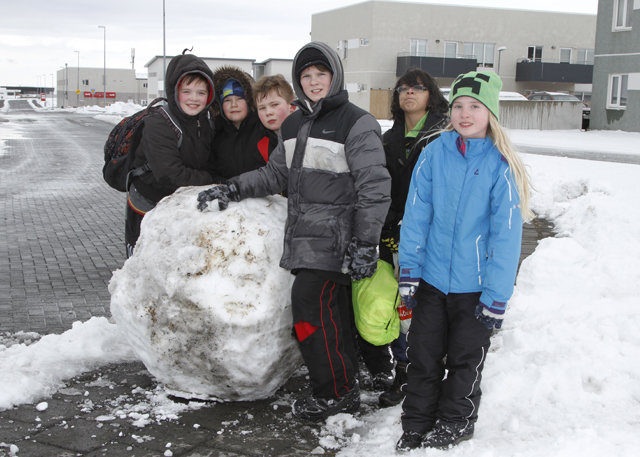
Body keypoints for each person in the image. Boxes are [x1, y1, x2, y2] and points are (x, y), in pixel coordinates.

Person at [196, 41, 391, 422]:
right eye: (306, 76)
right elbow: (275, 174)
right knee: (331, 314)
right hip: (307, 237)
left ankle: (333, 392)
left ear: (335, 77)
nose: (314, 81)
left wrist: (366, 241)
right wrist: (233, 188)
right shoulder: (294, 123)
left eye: (321, 74)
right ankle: (343, 385)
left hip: (338, 237)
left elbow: (374, 185)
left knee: (310, 305)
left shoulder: (357, 121)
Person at [395, 71, 534, 452]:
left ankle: (456, 421)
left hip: (474, 288)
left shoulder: (500, 165)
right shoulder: (433, 152)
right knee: (422, 357)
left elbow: (506, 238)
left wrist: (496, 296)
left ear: (491, 113)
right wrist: (409, 273)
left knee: (464, 360)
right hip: (432, 281)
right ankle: (416, 423)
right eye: (458, 106)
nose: (464, 114)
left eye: (475, 106)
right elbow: (416, 215)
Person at [378, 68, 449, 408]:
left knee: (430, 305)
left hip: (434, 234)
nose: (409, 93)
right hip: (396, 234)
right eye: (403, 88)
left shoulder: (443, 134)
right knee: (402, 303)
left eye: (418, 88)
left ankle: (431, 371)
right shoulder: (388, 139)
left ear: (430, 94)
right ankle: (404, 372)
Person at [125, 51, 216, 258]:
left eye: (201, 93)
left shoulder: (207, 121)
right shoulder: (159, 122)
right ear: (175, 91)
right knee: (145, 266)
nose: (194, 98)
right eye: (187, 91)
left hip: (180, 204)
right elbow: (170, 175)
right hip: (148, 204)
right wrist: (214, 181)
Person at [210, 66, 275, 182]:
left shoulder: (266, 129)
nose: (233, 104)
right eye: (227, 100)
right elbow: (211, 172)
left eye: (239, 98)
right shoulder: (217, 138)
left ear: (249, 100)